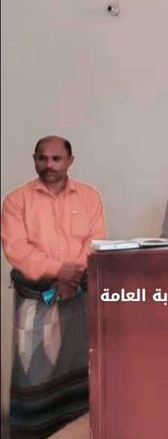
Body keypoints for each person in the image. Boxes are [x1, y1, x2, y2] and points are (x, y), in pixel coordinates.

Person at [1, 135, 106, 437]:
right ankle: (35, 431)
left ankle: (75, 430)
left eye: (56, 158)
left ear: (70, 161)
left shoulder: (89, 196)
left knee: (78, 363)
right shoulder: (16, 200)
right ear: (34, 160)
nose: (49, 165)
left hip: (78, 294)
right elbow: (16, 249)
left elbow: (95, 240)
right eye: (42, 158)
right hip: (36, 298)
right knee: (33, 368)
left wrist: (72, 276)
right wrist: (61, 272)